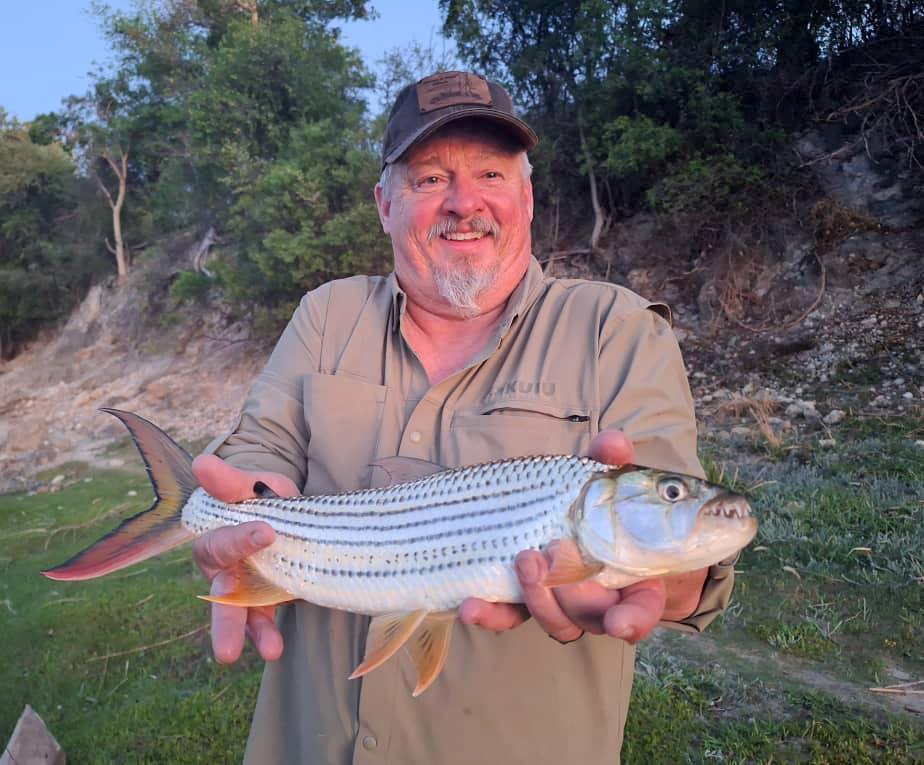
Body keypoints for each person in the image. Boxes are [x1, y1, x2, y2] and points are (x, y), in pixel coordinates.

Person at [192, 71, 735, 764]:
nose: (464, 202)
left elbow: (685, 557)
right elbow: (257, 452)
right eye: (429, 179)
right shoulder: (327, 314)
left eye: (491, 174)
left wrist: (660, 582)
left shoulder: (617, 328)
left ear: (527, 197)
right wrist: (244, 513)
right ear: (385, 204)